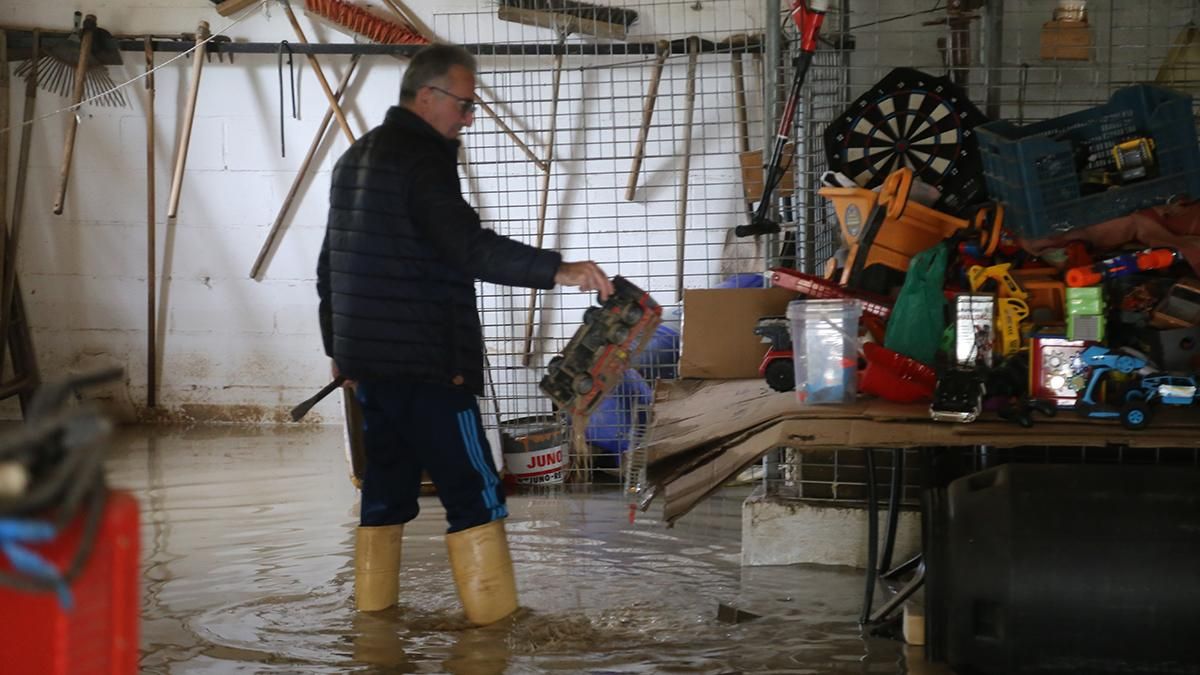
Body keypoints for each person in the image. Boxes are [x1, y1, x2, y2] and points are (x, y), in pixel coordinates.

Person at [316, 43, 613, 624]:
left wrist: (338, 348)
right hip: (428, 364)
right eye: (465, 104)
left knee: (383, 494)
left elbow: (329, 266)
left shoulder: (355, 158)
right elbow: (467, 248)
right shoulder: (422, 159)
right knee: (476, 492)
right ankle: (496, 632)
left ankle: (373, 627)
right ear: (428, 97)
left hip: (369, 367)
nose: (469, 117)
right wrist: (560, 269)